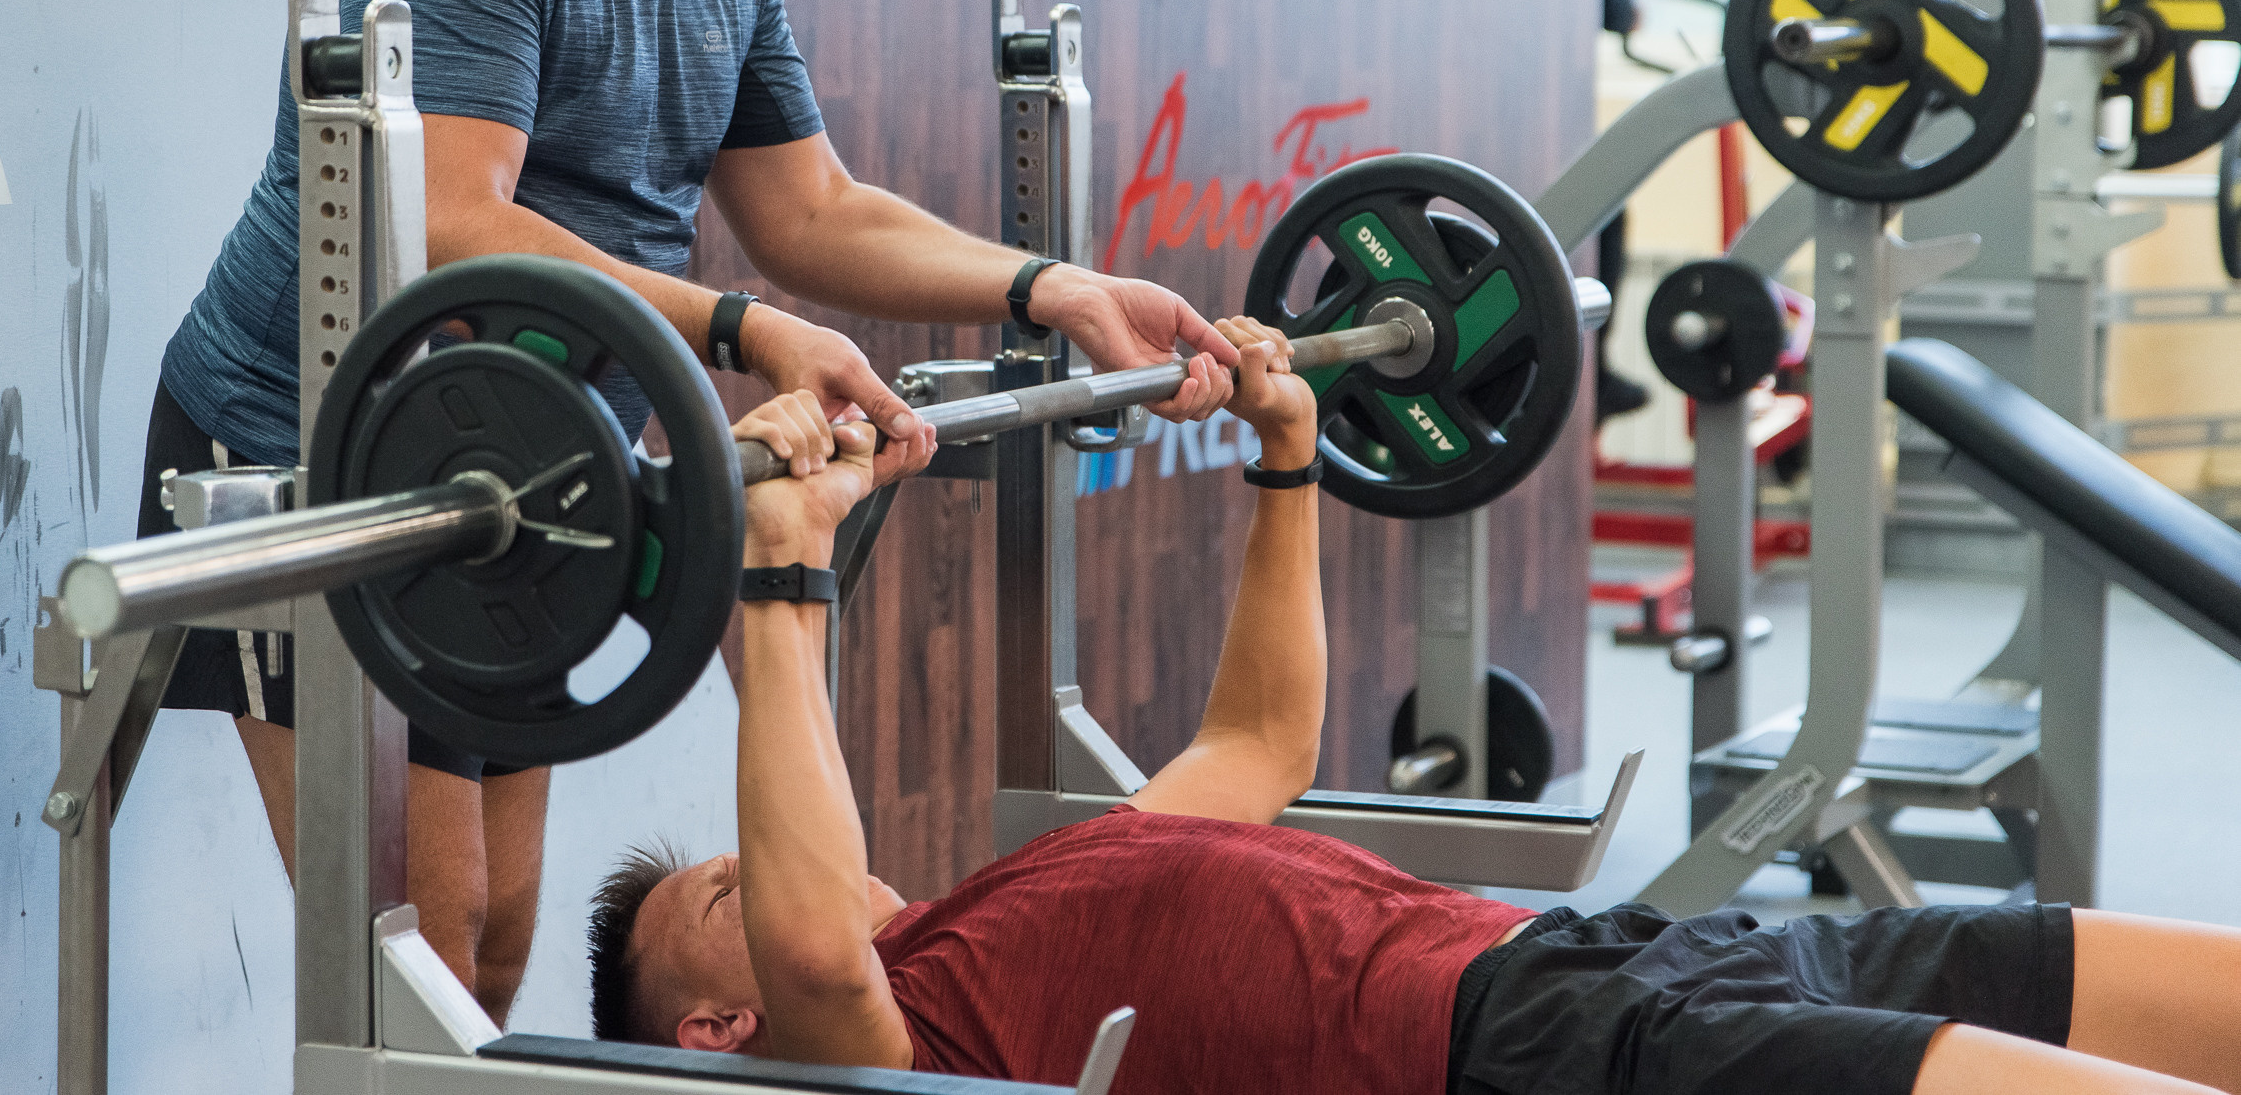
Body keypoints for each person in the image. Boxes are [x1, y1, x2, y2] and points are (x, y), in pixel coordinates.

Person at [139, 0, 1241, 1026]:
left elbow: (811, 206)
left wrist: (1048, 290)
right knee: (420, 963)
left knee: (503, 943)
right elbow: (450, 220)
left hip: (524, 449)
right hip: (319, 440)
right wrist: (739, 330)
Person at [591, 322, 2241, 1095]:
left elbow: (1256, 747)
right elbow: (816, 946)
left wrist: (1290, 454)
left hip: (1623, 952)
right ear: (716, 1029)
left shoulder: (1011, 904)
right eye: (723, 883)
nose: (774, 870)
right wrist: (782, 566)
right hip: (1558, 1054)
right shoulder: (901, 1039)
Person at [1419, 0, 1647, 423]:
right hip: (1549, 136)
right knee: (1610, 214)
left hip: (1455, 135)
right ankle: (1594, 376)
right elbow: (1618, 17)